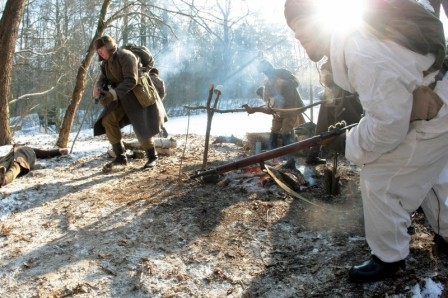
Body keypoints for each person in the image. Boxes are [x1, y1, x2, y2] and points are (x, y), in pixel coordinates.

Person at [285, 0, 448, 283]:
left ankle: (388, 258)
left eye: (302, 29)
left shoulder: (361, 50)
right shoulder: (360, 40)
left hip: (434, 113)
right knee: (429, 174)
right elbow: (389, 108)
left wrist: (346, 143)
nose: (299, 38)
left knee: (380, 179)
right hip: (436, 105)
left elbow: (387, 127)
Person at [93, 35, 167, 170]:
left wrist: (113, 94)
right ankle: (120, 158)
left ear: (109, 46)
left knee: (141, 125)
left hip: (138, 95)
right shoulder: (105, 63)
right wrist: (97, 88)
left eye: (101, 49)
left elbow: (131, 80)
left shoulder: (126, 56)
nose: (100, 53)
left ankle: (152, 157)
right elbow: (103, 78)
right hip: (121, 97)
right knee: (108, 120)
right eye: (98, 51)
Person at [305, 61, 363, 165]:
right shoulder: (333, 62)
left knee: (354, 122)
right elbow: (327, 79)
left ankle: (313, 155)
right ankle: (312, 156)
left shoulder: (342, 59)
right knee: (353, 122)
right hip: (338, 96)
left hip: (344, 96)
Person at [257, 60, 306, 149]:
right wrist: (266, 88)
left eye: (266, 72)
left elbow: (296, 82)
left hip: (291, 107)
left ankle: (289, 156)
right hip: (279, 108)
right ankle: (272, 154)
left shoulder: (283, 73)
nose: (266, 75)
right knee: (274, 129)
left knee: (286, 131)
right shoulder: (269, 80)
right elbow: (268, 97)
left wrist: (285, 82)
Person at [0, 145, 68, 187]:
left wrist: (58, 151)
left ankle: (3, 180)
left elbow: (45, 153)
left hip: (22, 158)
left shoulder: (31, 150)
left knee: (14, 168)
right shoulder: (12, 152)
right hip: (9, 158)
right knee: (6, 166)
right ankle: (2, 177)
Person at [149, 67, 169, 138]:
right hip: (156, 102)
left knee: (148, 119)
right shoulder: (160, 81)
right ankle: (163, 132)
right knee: (159, 118)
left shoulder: (146, 79)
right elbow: (162, 93)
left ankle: (152, 136)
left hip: (145, 102)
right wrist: (159, 100)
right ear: (157, 73)